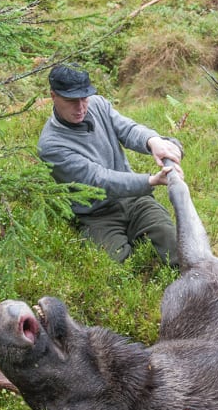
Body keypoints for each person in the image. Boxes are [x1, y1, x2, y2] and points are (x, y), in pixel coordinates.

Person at [38, 63, 184, 265]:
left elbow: (128, 130)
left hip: (135, 200)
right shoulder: (51, 145)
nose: (80, 107)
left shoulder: (98, 104)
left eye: (84, 98)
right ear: (53, 96)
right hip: (96, 215)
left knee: (175, 246)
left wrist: (153, 142)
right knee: (119, 266)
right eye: (71, 100)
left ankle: (144, 236)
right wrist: (150, 181)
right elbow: (97, 179)